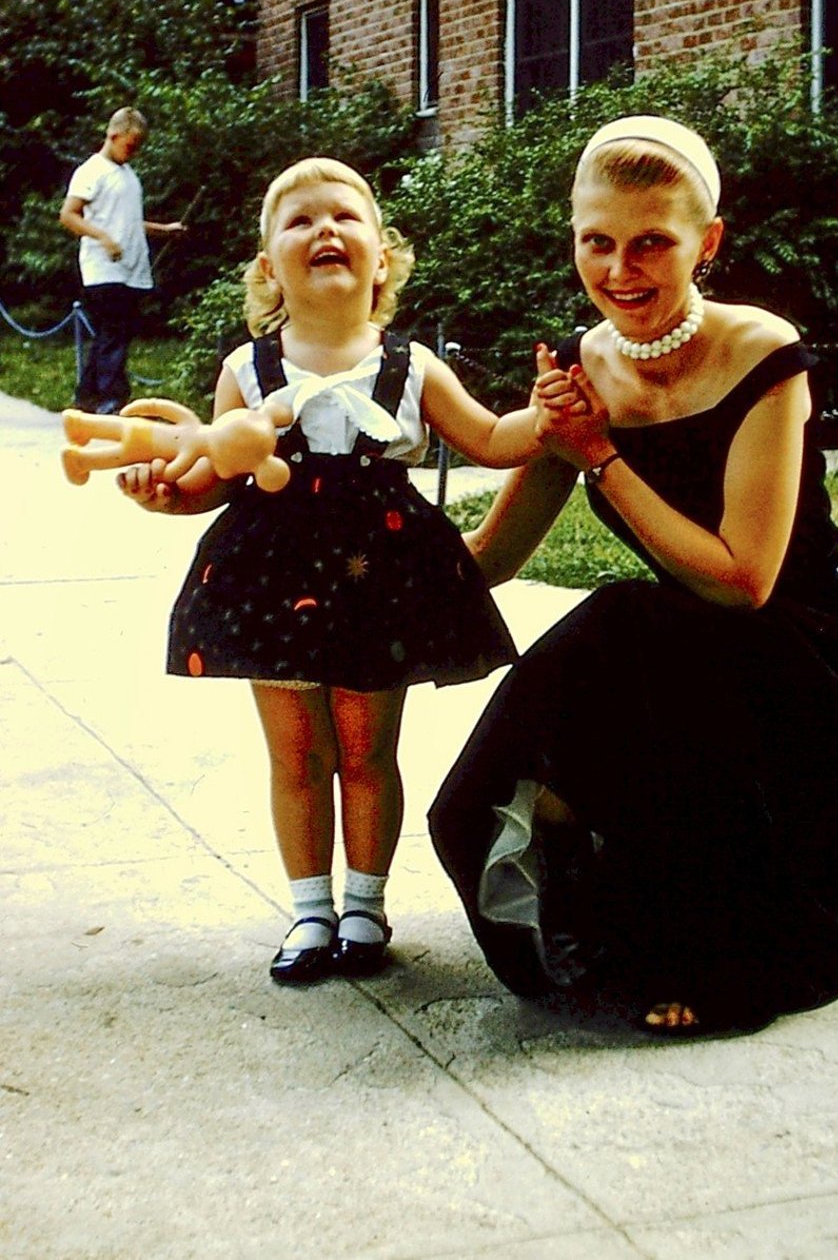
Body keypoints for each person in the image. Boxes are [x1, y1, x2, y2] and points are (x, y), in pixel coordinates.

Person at [428, 115, 838, 1039]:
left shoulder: (762, 351)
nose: (620, 270)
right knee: (624, 637)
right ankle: (581, 858)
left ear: (707, 243)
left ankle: (726, 939)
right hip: (679, 654)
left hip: (808, 649)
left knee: (625, 617)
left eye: (652, 242)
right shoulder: (583, 357)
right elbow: (493, 549)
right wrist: (352, 582)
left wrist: (599, 454)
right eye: (596, 243)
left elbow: (742, 582)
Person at [117, 156, 568, 986]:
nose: (325, 229)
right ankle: (309, 910)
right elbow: (214, 475)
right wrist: (162, 493)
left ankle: (365, 905)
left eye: (346, 216)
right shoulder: (246, 371)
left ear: (382, 258)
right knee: (296, 754)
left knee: (367, 750)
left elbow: (492, 439)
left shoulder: (414, 365)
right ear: (268, 269)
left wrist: (545, 414)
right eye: (300, 221)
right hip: (269, 582)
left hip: (380, 581)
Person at [60, 106, 186, 414]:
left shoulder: (128, 175)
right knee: (114, 332)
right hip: (103, 268)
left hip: (131, 268)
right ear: (113, 135)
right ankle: (112, 400)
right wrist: (103, 238)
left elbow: (128, 222)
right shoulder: (92, 171)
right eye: (129, 146)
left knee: (111, 333)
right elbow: (68, 215)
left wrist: (163, 229)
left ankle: (86, 397)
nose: (133, 153)